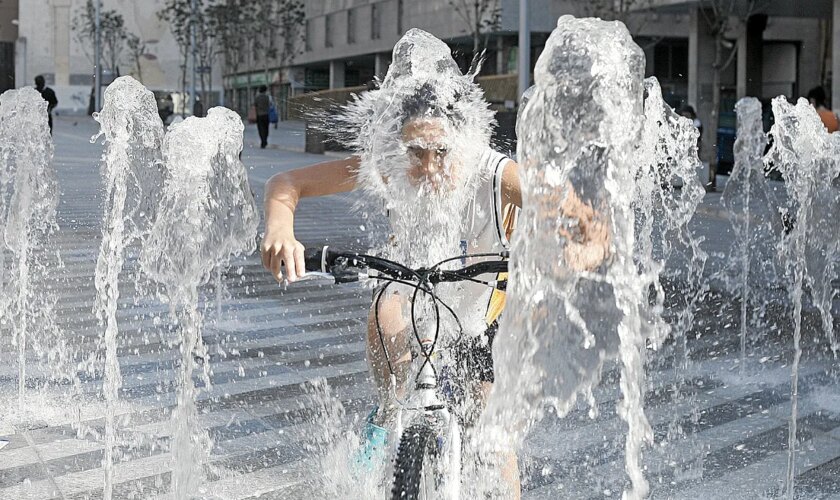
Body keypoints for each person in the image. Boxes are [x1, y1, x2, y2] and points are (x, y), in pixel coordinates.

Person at [260, 29, 609, 496]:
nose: (427, 168)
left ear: (461, 141)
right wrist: (280, 230)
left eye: (441, 152)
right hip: (410, 290)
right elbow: (287, 184)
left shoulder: (498, 174)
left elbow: (589, 222)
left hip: (480, 308)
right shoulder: (386, 164)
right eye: (416, 152)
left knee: (490, 433)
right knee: (384, 321)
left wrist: (572, 258)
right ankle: (386, 418)